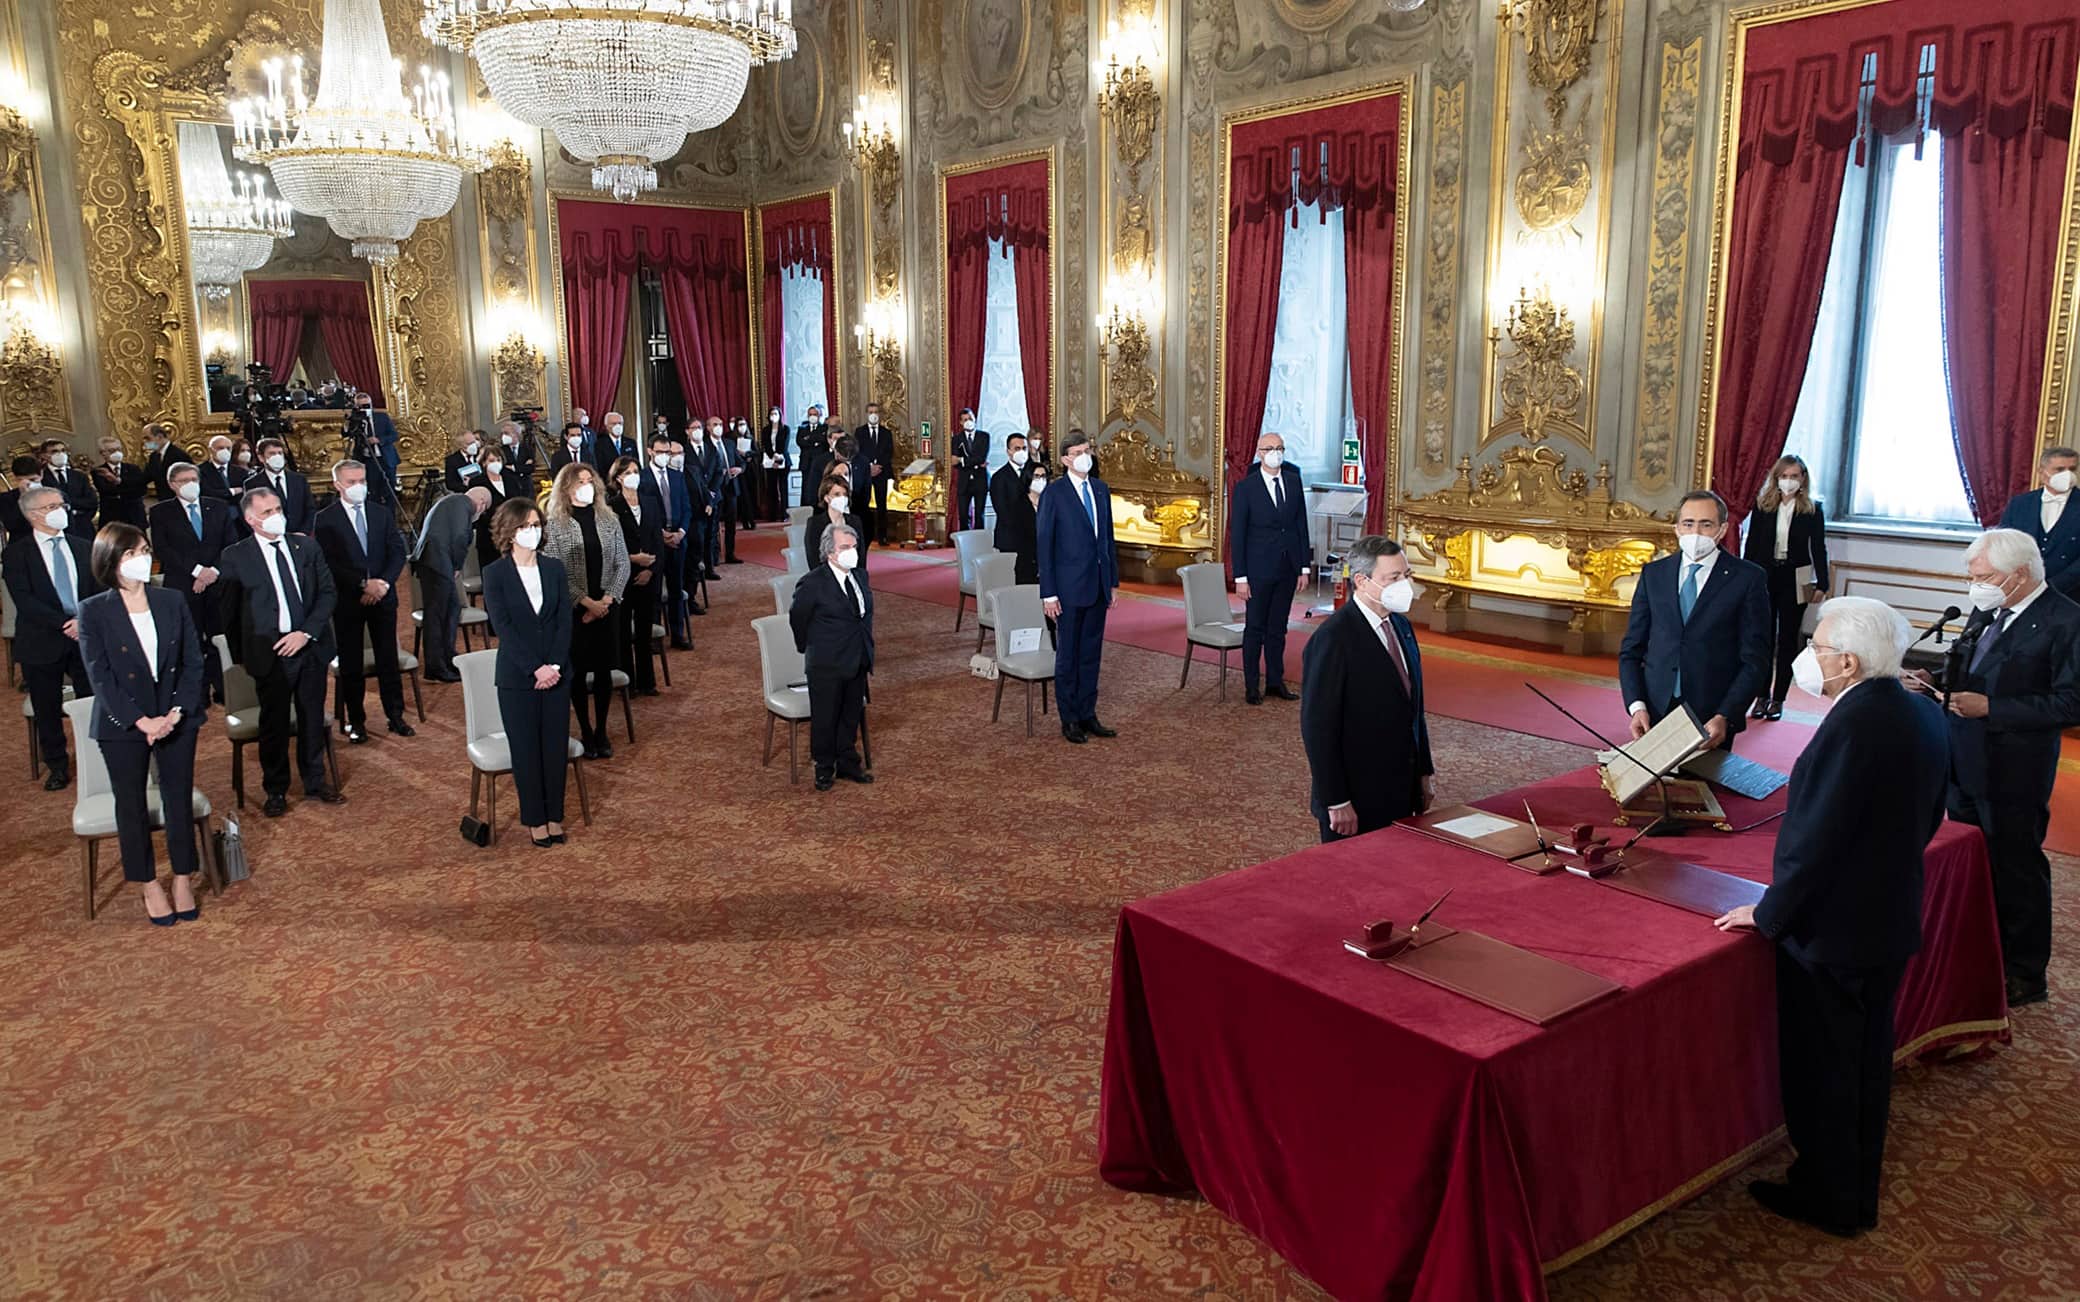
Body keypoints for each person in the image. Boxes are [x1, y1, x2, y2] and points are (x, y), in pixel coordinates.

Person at [1714, 596, 1947, 1238]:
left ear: (1846, 661)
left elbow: (1817, 839)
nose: (1809, 658)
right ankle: (1852, 1180)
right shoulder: (1918, 711)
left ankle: (1830, 1194)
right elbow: (1929, 818)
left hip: (1834, 933)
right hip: (1887, 914)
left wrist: (1769, 915)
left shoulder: (1855, 725)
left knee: (1827, 1068)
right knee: (1866, 1063)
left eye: (1817, 648)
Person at [1939, 528, 2080, 1007]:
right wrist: (1933, 684)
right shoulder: (1987, 610)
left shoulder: (2066, 620)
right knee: (1967, 857)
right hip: (1965, 757)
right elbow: (1966, 668)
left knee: (2015, 866)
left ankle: (2025, 972)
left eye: (1984, 577)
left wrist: (1992, 709)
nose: (1975, 586)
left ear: (2020, 575)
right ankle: (1975, 952)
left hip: (2015, 767)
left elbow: (2070, 702)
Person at [77, 522, 209, 925]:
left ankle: (183, 877)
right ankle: (148, 883)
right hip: (123, 725)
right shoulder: (94, 610)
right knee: (131, 804)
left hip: (176, 717)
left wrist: (176, 713)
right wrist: (141, 721)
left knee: (177, 797)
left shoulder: (171, 600)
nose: (142, 559)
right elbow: (101, 677)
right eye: (132, 553)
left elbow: (193, 662)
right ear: (111, 561)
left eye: (145, 550)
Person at [216, 485, 343, 816]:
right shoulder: (236, 556)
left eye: (278, 509)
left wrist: (306, 633)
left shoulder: (306, 546)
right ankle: (276, 789)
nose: (276, 517)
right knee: (273, 723)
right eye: (267, 512)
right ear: (250, 520)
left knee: (311, 717)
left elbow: (327, 594)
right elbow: (229, 613)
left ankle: (314, 781)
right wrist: (243, 658)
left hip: (309, 647)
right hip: (269, 653)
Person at [1298, 535, 1433, 841]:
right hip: (1354, 800)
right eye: (1394, 578)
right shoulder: (1333, 639)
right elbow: (1318, 728)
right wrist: (1336, 800)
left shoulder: (1402, 626)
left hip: (1399, 791)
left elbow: (1414, 708)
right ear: (1362, 581)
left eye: (1407, 575)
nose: (1404, 585)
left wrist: (1423, 774)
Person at [1618, 489, 1772, 751]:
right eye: (1688, 524)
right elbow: (1631, 649)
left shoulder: (1747, 579)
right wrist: (1637, 706)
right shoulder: (1654, 574)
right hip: (1655, 708)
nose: (1696, 532)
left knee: (1702, 791)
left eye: (1706, 524)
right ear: (1677, 528)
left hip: (1712, 716)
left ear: (1722, 530)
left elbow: (1755, 661)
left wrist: (1726, 715)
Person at [481, 498, 573, 848]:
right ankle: (534, 818)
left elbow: (564, 620)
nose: (532, 532)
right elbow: (503, 627)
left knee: (553, 748)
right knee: (526, 750)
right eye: (524, 527)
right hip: (518, 677)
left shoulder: (554, 569)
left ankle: (554, 816)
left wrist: (554, 665)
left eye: (536, 525)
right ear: (509, 532)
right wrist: (535, 667)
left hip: (557, 672)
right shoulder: (495, 574)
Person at [3, 486, 99, 789]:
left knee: (95, 701)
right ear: (33, 515)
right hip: (42, 639)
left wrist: (81, 620)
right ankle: (57, 764)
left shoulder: (84, 545)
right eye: (52, 506)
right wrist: (64, 623)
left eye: (61, 504)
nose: (61, 510)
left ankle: (97, 755)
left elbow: (98, 588)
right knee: (47, 707)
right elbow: (25, 599)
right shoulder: (16, 553)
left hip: (85, 636)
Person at [314, 459, 413, 743]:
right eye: (351, 482)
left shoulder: (381, 513)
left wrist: (382, 583)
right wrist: (362, 584)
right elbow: (329, 564)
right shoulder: (325, 519)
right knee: (351, 665)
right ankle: (356, 721)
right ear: (337, 485)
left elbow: (397, 551)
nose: (359, 487)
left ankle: (395, 716)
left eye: (362, 481)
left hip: (383, 597)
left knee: (388, 661)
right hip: (348, 602)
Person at [1037, 430, 1120, 744]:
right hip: (1067, 590)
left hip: (1097, 587)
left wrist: (1112, 581)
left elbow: (1108, 540)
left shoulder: (1100, 489)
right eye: (1079, 452)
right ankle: (1069, 718)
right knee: (1068, 656)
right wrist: (1048, 592)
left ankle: (1088, 713)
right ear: (1065, 460)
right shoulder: (1054, 494)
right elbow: (1044, 546)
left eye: (1088, 450)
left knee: (1091, 654)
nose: (1086, 456)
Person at [542, 462, 629, 759]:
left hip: (607, 607)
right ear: (566, 487)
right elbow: (556, 570)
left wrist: (606, 600)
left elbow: (623, 563)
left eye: (590, 480)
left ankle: (602, 730)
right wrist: (585, 602)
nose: (587, 486)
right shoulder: (554, 524)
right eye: (581, 481)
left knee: (603, 671)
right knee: (577, 672)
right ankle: (586, 730)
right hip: (575, 612)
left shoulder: (609, 519)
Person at [1742, 455, 1830, 720]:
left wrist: (1822, 583)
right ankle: (1761, 696)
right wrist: (1745, 579)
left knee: (1789, 638)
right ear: (1776, 477)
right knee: (1763, 637)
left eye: (1794, 476)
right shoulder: (1763, 505)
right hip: (1765, 574)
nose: (1789, 481)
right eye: (1784, 476)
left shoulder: (1813, 509)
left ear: (1803, 478)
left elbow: (1818, 548)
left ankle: (1778, 699)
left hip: (1799, 576)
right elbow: (1752, 545)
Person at [790, 522, 875, 791]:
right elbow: (797, 619)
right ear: (830, 552)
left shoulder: (861, 576)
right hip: (826, 661)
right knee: (825, 717)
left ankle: (847, 762)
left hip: (857, 656)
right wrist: (811, 648)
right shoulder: (813, 582)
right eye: (845, 548)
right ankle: (824, 767)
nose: (853, 552)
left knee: (851, 713)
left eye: (855, 547)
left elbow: (863, 617)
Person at [1230, 430, 1311, 705]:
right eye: (1269, 448)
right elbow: (1237, 535)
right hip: (1257, 571)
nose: (1275, 452)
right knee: (1255, 629)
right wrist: (1240, 577)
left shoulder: (1293, 481)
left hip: (1288, 568)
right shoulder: (1246, 488)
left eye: (1279, 448)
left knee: (1278, 628)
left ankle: (1275, 681)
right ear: (1259, 453)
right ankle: (1252, 686)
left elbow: (1301, 525)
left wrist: (1304, 567)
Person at [148, 462, 235, 704]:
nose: (191, 485)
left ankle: (224, 688)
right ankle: (197, 693)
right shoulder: (161, 512)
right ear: (172, 485)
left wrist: (212, 572)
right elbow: (163, 549)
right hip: (183, 585)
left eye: (194, 479)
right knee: (191, 640)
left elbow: (230, 542)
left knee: (220, 638)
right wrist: (197, 572)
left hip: (218, 583)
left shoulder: (217, 506)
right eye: (185, 481)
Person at [412, 485, 491, 683]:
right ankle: (436, 667)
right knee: (437, 616)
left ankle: (448, 659)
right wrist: (457, 565)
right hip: (437, 562)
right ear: (481, 504)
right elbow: (459, 537)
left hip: (435, 561)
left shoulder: (453, 502)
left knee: (451, 609)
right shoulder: (462, 503)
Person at [608, 455, 664, 696]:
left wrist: (650, 569)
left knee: (644, 629)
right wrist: (633, 560)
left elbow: (657, 540)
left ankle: (647, 681)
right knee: (622, 630)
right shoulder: (611, 506)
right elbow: (610, 546)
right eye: (628, 472)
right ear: (619, 477)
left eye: (636, 471)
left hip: (648, 576)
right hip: (623, 576)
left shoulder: (650, 502)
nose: (634, 475)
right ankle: (627, 682)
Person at [1997, 445, 2080, 600]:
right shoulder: (2020, 504)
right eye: (2060, 469)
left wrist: (2052, 587)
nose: (2067, 475)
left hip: (2071, 595)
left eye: (2072, 469)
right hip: (2021, 591)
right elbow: (2003, 545)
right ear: (2042, 473)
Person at [989, 433, 1041, 584]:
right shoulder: (999, 478)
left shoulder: (1033, 475)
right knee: (1013, 582)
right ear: (1008, 451)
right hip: (1011, 540)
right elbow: (1003, 512)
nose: (1021, 452)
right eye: (1017, 448)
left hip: (1033, 540)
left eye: (1024, 448)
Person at [806, 473, 870, 576]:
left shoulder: (855, 521)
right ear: (827, 498)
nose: (842, 498)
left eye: (844, 494)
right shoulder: (815, 523)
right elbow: (813, 558)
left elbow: (861, 555)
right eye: (837, 494)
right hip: (825, 578)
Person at [703, 417, 746, 564]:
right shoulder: (705, 446)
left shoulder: (729, 443)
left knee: (731, 523)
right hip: (715, 489)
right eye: (715, 425)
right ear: (708, 427)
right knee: (713, 524)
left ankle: (730, 554)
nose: (718, 427)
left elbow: (741, 462)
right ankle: (713, 556)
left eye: (721, 424)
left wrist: (739, 469)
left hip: (731, 488)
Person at [252, 438, 316, 535]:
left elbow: (310, 508)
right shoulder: (252, 483)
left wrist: (303, 532)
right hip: (271, 537)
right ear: (261, 457)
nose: (277, 457)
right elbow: (253, 514)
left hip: (300, 536)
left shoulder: (299, 479)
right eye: (272, 453)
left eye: (280, 453)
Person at [39, 440, 98, 537]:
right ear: (44, 456)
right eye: (54, 451)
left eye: (63, 450)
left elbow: (91, 502)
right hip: (56, 529)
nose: (60, 454)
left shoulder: (79, 476)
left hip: (83, 527)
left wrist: (67, 503)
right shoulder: (41, 478)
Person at [474, 444, 520, 566]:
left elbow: (519, 501)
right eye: (491, 460)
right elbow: (477, 510)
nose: (496, 463)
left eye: (498, 460)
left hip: (511, 535)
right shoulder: (477, 482)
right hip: (488, 536)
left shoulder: (511, 479)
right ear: (484, 463)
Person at [856, 403, 896, 544]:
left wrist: (879, 466)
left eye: (876, 412)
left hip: (881, 473)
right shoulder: (859, 432)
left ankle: (882, 536)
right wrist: (869, 467)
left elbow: (889, 452)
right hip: (865, 473)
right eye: (870, 411)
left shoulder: (886, 433)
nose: (873, 414)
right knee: (863, 505)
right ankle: (864, 534)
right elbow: (858, 452)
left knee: (882, 506)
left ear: (880, 414)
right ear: (866, 414)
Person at [90, 435, 149, 529]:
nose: (116, 453)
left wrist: (118, 481)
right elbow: (107, 491)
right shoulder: (99, 471)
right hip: (112, 518)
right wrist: (129, 487)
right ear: (103, 453)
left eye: (118, 449)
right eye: (112, 451)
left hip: (135, 517)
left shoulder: (133, 469)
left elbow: (141, 490)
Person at [952, 407, 990, 533]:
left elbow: (981, 457)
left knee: (979, 515)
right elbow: (954, 462)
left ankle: (979, 543)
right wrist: (976, 462)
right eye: (965, 419)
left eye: (970, 419)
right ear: (961, 423)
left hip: (980, 481)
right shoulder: (956, 439)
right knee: (963, 515)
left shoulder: (984, 436)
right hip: (964, 482)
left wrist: (962, 460)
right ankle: (965, 543)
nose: (968, 421)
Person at [0, 454, 44, 542]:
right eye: (21, 480)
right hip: (22, 545)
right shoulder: (6, 498)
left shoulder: (56, 494)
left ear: (41, 474)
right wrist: (23, 497)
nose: (29, 485)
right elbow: (11, 525)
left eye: (33, 480)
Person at [760, 405, 791, 520]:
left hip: (783, 460)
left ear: (780, 416)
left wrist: (778, 458)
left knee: (783, 488)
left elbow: (785, 445)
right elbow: (766, 444)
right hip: (769, 460)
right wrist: (773, 456)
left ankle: (784, 514)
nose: (774, 416)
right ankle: (772, 515)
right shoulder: (765, 430)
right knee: (771, 488)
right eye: (772, 414)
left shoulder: (785, 429)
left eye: (776, 414)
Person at [797, 404, 831, 506]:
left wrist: (809, 438)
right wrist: (815, 441)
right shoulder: (802, 428)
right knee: (806, 488)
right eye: (810, 414)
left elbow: (823, 441)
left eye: (815, 414)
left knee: (820, 487)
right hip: (806, 463)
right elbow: (800, 442)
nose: (812, 416)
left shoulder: (824, 428)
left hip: (820, 464)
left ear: (819, 415)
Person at [198, 435, 246, 506]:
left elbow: (245, 492)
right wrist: (232, 491)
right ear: (210, 450)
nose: (225, 451)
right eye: (221, 448)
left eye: (228, 448)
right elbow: (207, 493)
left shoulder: (241, 471)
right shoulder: (200, 471)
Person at [734, 418, 762, 532]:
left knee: (751, 495)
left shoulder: (750, 438)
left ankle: (751, 518)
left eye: (744, 424)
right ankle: (747, 520)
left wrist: (747, 453)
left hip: (750, 471)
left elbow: (758, 452)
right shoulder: (732, 439)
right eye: (740, 425)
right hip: (739, 471)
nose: (742, 427)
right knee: (743, 497)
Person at [139, 423, 177, 503]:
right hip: (163, 502)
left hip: (177, 502)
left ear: (159, 437)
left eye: (147, 438)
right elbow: (144, 477)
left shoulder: (178, 455)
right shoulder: (154, 456)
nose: (145, 442)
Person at [442, 429, 485, 493]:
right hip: (464, 494)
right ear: (461, 446)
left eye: (474, 442)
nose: (473, 445)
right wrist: (467, 486)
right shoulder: (452, 460)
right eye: (469, 443)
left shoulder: (481, 455)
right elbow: (450, 484)